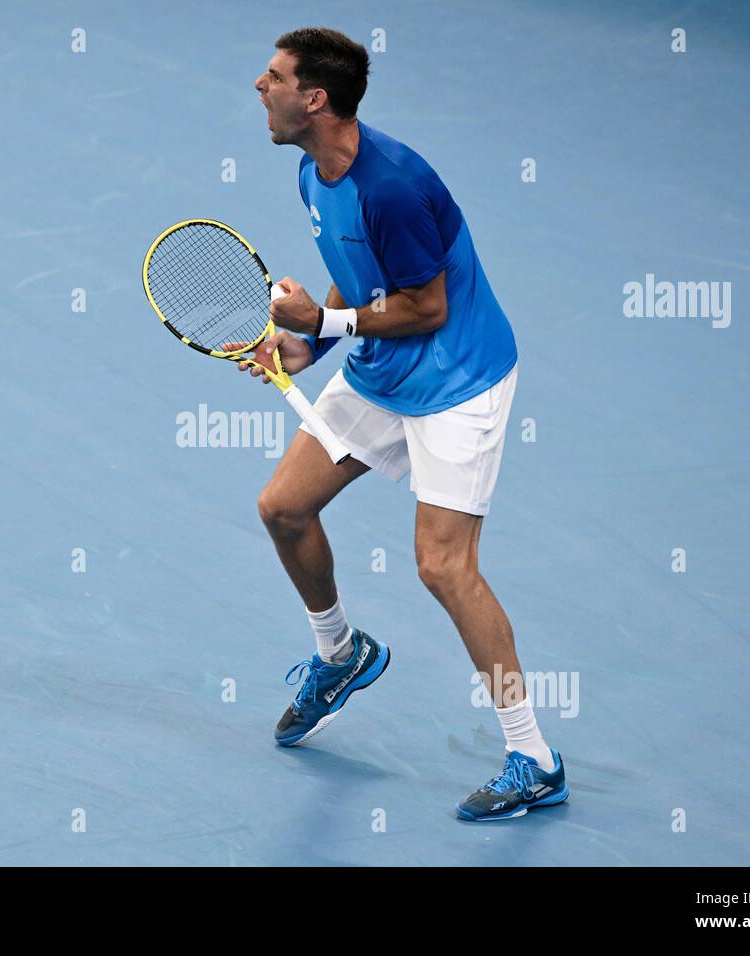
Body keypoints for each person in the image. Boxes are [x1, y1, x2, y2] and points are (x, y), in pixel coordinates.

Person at [244, 27, 568, 820]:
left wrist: (327, 321)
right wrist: (307, 340)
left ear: (314, 99)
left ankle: (533, 755)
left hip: (460, 380)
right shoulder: (314, 171)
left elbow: (427, 307)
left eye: (276, 77)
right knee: (283, 508)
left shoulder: (390, 185)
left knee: (443, 567)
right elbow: (363, 277)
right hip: (383, 373)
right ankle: (342, 654)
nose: (261, 85)